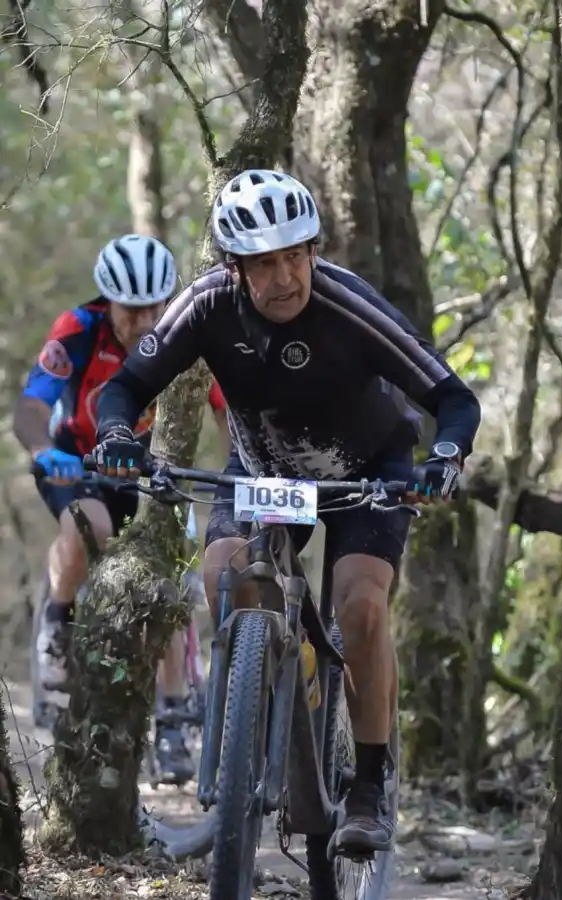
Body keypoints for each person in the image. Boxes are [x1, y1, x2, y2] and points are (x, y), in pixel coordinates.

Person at [92, 171, 481, 855]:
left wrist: (444, 458)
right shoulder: (206, 305)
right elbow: (124, 387)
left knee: (361, 607)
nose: (285, 278)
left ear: (312, 251)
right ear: (234, 268)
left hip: (368, 471)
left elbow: (453, 397)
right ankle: (269, 696)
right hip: (264, 468)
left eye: (295, 256)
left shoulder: (346, 304)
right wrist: (119, 436)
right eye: (265, 263)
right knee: (224, 572)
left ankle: (368, 786)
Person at [13, 233, 226, 785]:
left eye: (156, 306)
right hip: (77, 464)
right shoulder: (78, 329)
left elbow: (228, 413)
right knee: (93, 525)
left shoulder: (186, 337)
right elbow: (32, 405)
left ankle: (174, 717)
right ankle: (57, 622)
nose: (146, 320)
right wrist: (43, 451)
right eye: (133, 310)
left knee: (169, 577)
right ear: (108, 301)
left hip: (150, 475)